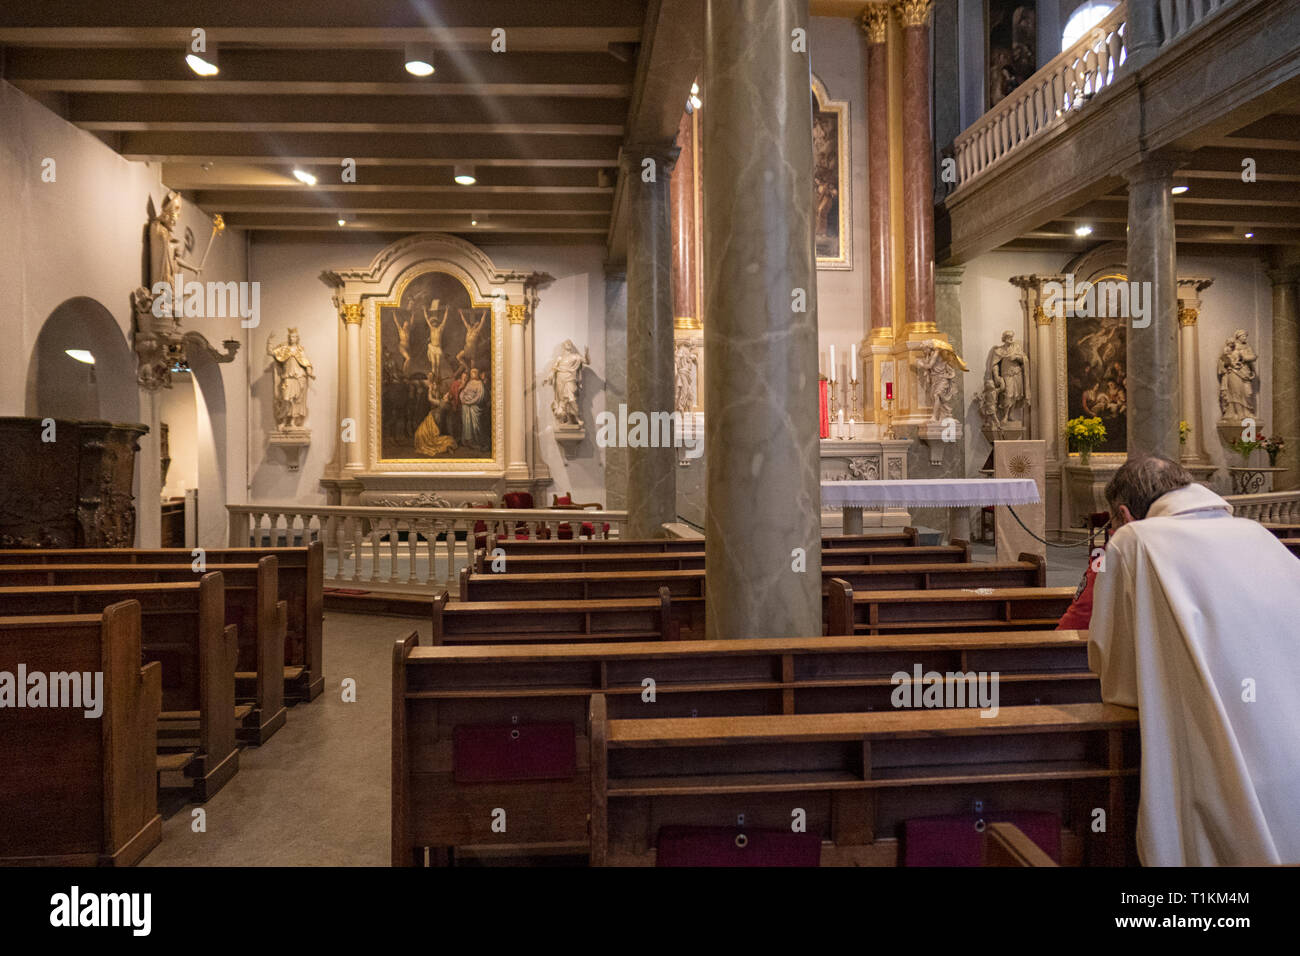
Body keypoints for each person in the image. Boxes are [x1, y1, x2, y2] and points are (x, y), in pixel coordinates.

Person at [1086, 455, 1300, 865]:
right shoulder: (1256, 534)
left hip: (1219, 749)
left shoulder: (1133, 541)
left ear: (1124, 515)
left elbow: (1114, 671)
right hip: (1286, 734)